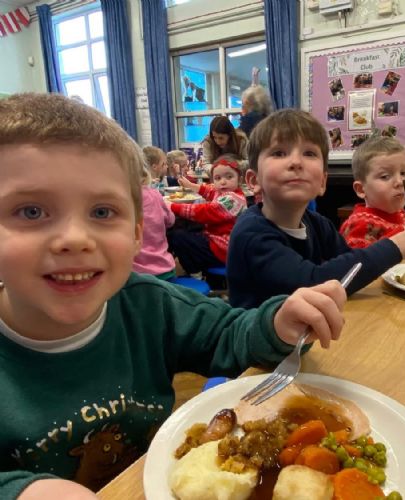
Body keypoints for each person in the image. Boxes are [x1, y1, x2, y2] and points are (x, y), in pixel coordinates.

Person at [0, 93, 348, 500]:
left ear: (136, 234)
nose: (75, 239)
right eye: (31, 211)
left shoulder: (152, 306)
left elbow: (229, 333)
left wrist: (275, 324)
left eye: (102, 212)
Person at [227, 109, 405, 309]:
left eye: (309, 153)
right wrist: (396, 246)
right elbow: (312, 283)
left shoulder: (317, 223)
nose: (296, 162)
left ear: (322, 182)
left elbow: (351, 266)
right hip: (262, 341)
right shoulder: (251, 232)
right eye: (279, 153)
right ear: (254, 180)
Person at [167, 155, 247, 275]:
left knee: (178, 236)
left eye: (229, 177)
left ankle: (195, 272)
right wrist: (190, 185)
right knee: (187, 228)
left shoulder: (233, 199)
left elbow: (206, 211)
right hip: (219, 243)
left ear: (239, 180)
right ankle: (193, 265)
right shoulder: (226, 192)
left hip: (224, 251)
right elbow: (210, 191)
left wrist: (172, 206)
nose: (223, 181)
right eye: (218, 178)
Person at [132, 166, 176, 281]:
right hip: (165, 269)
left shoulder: (121, 199)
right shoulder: (154, 194)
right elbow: (170, 220)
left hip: (135, 276)